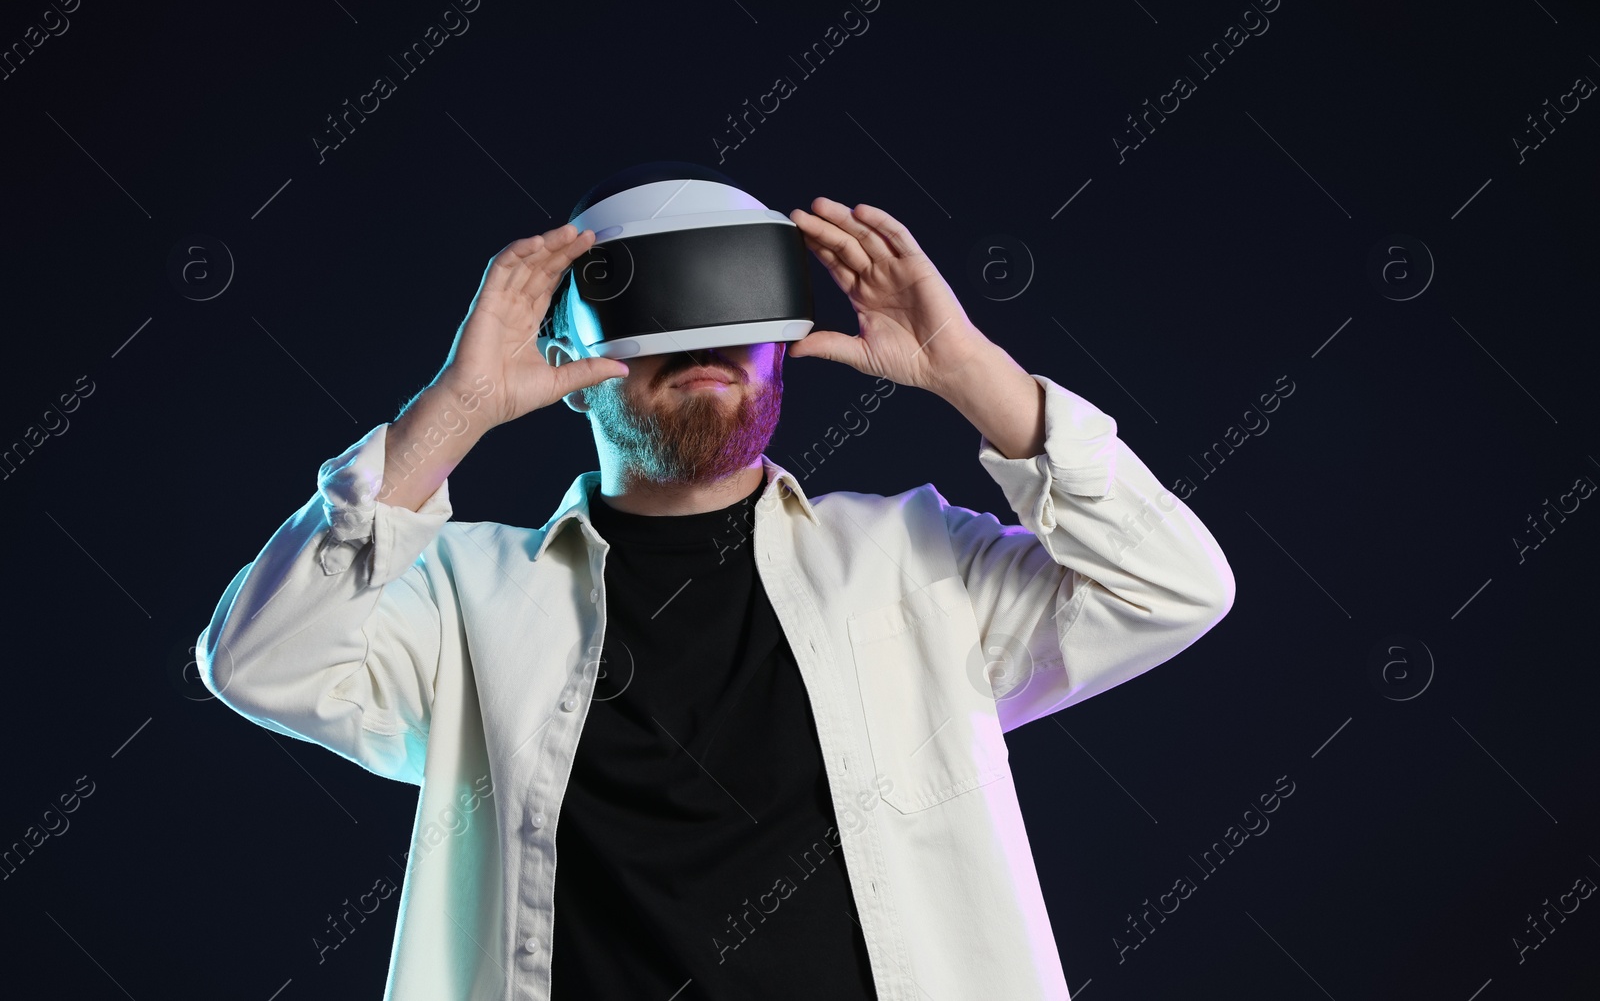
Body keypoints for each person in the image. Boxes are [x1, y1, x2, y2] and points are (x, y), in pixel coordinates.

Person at [195, 162, 1235, 1001]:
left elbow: (1172, 587)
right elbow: (258, 660)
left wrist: (973, 373)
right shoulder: (461, 597)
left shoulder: (916, 558)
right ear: (569, 348)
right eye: (660, 306)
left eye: (738, 304)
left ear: (784, 335)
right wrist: (454, 410)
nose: (706, 339)